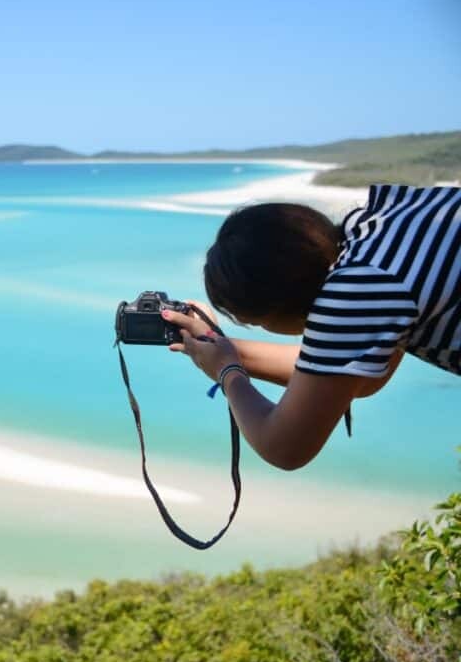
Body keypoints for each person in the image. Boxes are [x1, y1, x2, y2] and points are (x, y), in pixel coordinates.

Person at [164, 184, 460, 471]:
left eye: (257, 323)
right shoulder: (379, 231)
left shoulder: (356, 290)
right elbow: (357, 375)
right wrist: (217, 348)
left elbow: (284, 447)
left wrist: (227, 373)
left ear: (278, 306)